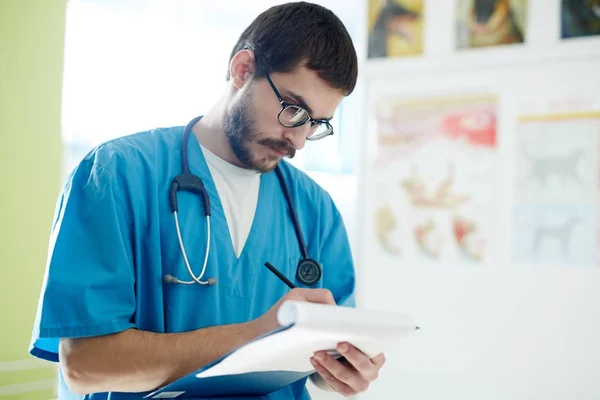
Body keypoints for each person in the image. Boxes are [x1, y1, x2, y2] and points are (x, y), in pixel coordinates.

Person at [29, 2, 386, 399]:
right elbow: (85, 366)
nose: (299, 139)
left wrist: (342, 370)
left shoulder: (314, 209)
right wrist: (254, 335)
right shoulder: (117, 174)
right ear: (243, 69)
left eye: (317, 123)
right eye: (293, 110)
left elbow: (324, 352)